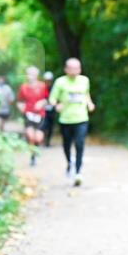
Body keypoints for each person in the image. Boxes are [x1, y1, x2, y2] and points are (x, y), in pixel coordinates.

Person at [48, 58, 95, 186]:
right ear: (66, 69)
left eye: (77, 68)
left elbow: (86, 95)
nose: (74, 71)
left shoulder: (84, 80)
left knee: (80, 143)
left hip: (81, 118)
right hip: (66, 119)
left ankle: (78, 172)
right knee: (67, 145)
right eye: (71, 68)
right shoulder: (60, 82)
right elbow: (52, 99)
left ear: (80, 69)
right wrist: (56, 105)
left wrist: (90, 103)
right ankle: (70, 162)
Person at [16, 66, 49, 166]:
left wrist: (41, 103)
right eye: (28, 74)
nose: (30, 76)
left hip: (40, 114)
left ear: (36, 75)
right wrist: (21, 107)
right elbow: (19, 101)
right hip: (28, 113)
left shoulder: (43, 86)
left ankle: (35, 152)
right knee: (30, 135)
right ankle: (32, 156)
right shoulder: (23, 87)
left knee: (38, 138)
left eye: (32, 74)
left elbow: (47, 99)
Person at [41, 71, 56, 147]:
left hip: (51, 110)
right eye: (46, 80)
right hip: (43, 110)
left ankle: (48, 142)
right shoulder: (42, 87)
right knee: (44, 125)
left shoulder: (54, 88)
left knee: (50, 126)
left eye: (49, 80)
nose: (48, 82)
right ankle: (42, 140)